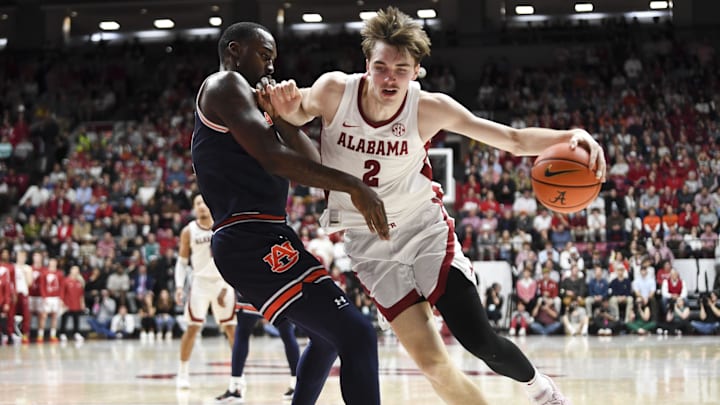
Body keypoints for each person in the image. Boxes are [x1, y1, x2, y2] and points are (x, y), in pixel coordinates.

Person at [268, 7, 606, 404]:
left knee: (479, 339)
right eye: (381, 67)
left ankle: (542, 390)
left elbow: (513, 140)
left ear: (416, 71)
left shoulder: (429, 108)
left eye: (400, 68)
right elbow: (293, 113)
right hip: (368, 244)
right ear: (366, 65)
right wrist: (285, 103)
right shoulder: (334, 91)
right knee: (433, 367)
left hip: (423, 230)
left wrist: (572, 133)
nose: (389, 77)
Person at [190, 21, 387, 405]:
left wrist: (281, 116)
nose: (271, 68)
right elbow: (273, 158)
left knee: (329, 338)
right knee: (358, 334)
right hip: (248, 237)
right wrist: (355, 185)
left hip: (268, 233)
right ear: (234, 50)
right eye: (264, 56)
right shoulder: (224, 85)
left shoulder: (253, 102)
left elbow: (309, 161)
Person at [175, 193, 237, 390]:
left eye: (203, 202)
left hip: (223, 282)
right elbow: (182, 262)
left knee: (231, 329)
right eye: (197, 203)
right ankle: (183, 372)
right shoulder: (189, 231)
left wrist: (231, 285)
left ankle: (237, 376)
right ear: (194, 208)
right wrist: (178, 287)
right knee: (192, 327)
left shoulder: (223, 225)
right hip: (200, 283)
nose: (201, 206)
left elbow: (232, 258)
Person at [215, 292, 300, 402]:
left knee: (242, 334)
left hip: (251, 290)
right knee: (287, 334)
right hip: (276, 291)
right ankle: (297, 385)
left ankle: (235, 387)